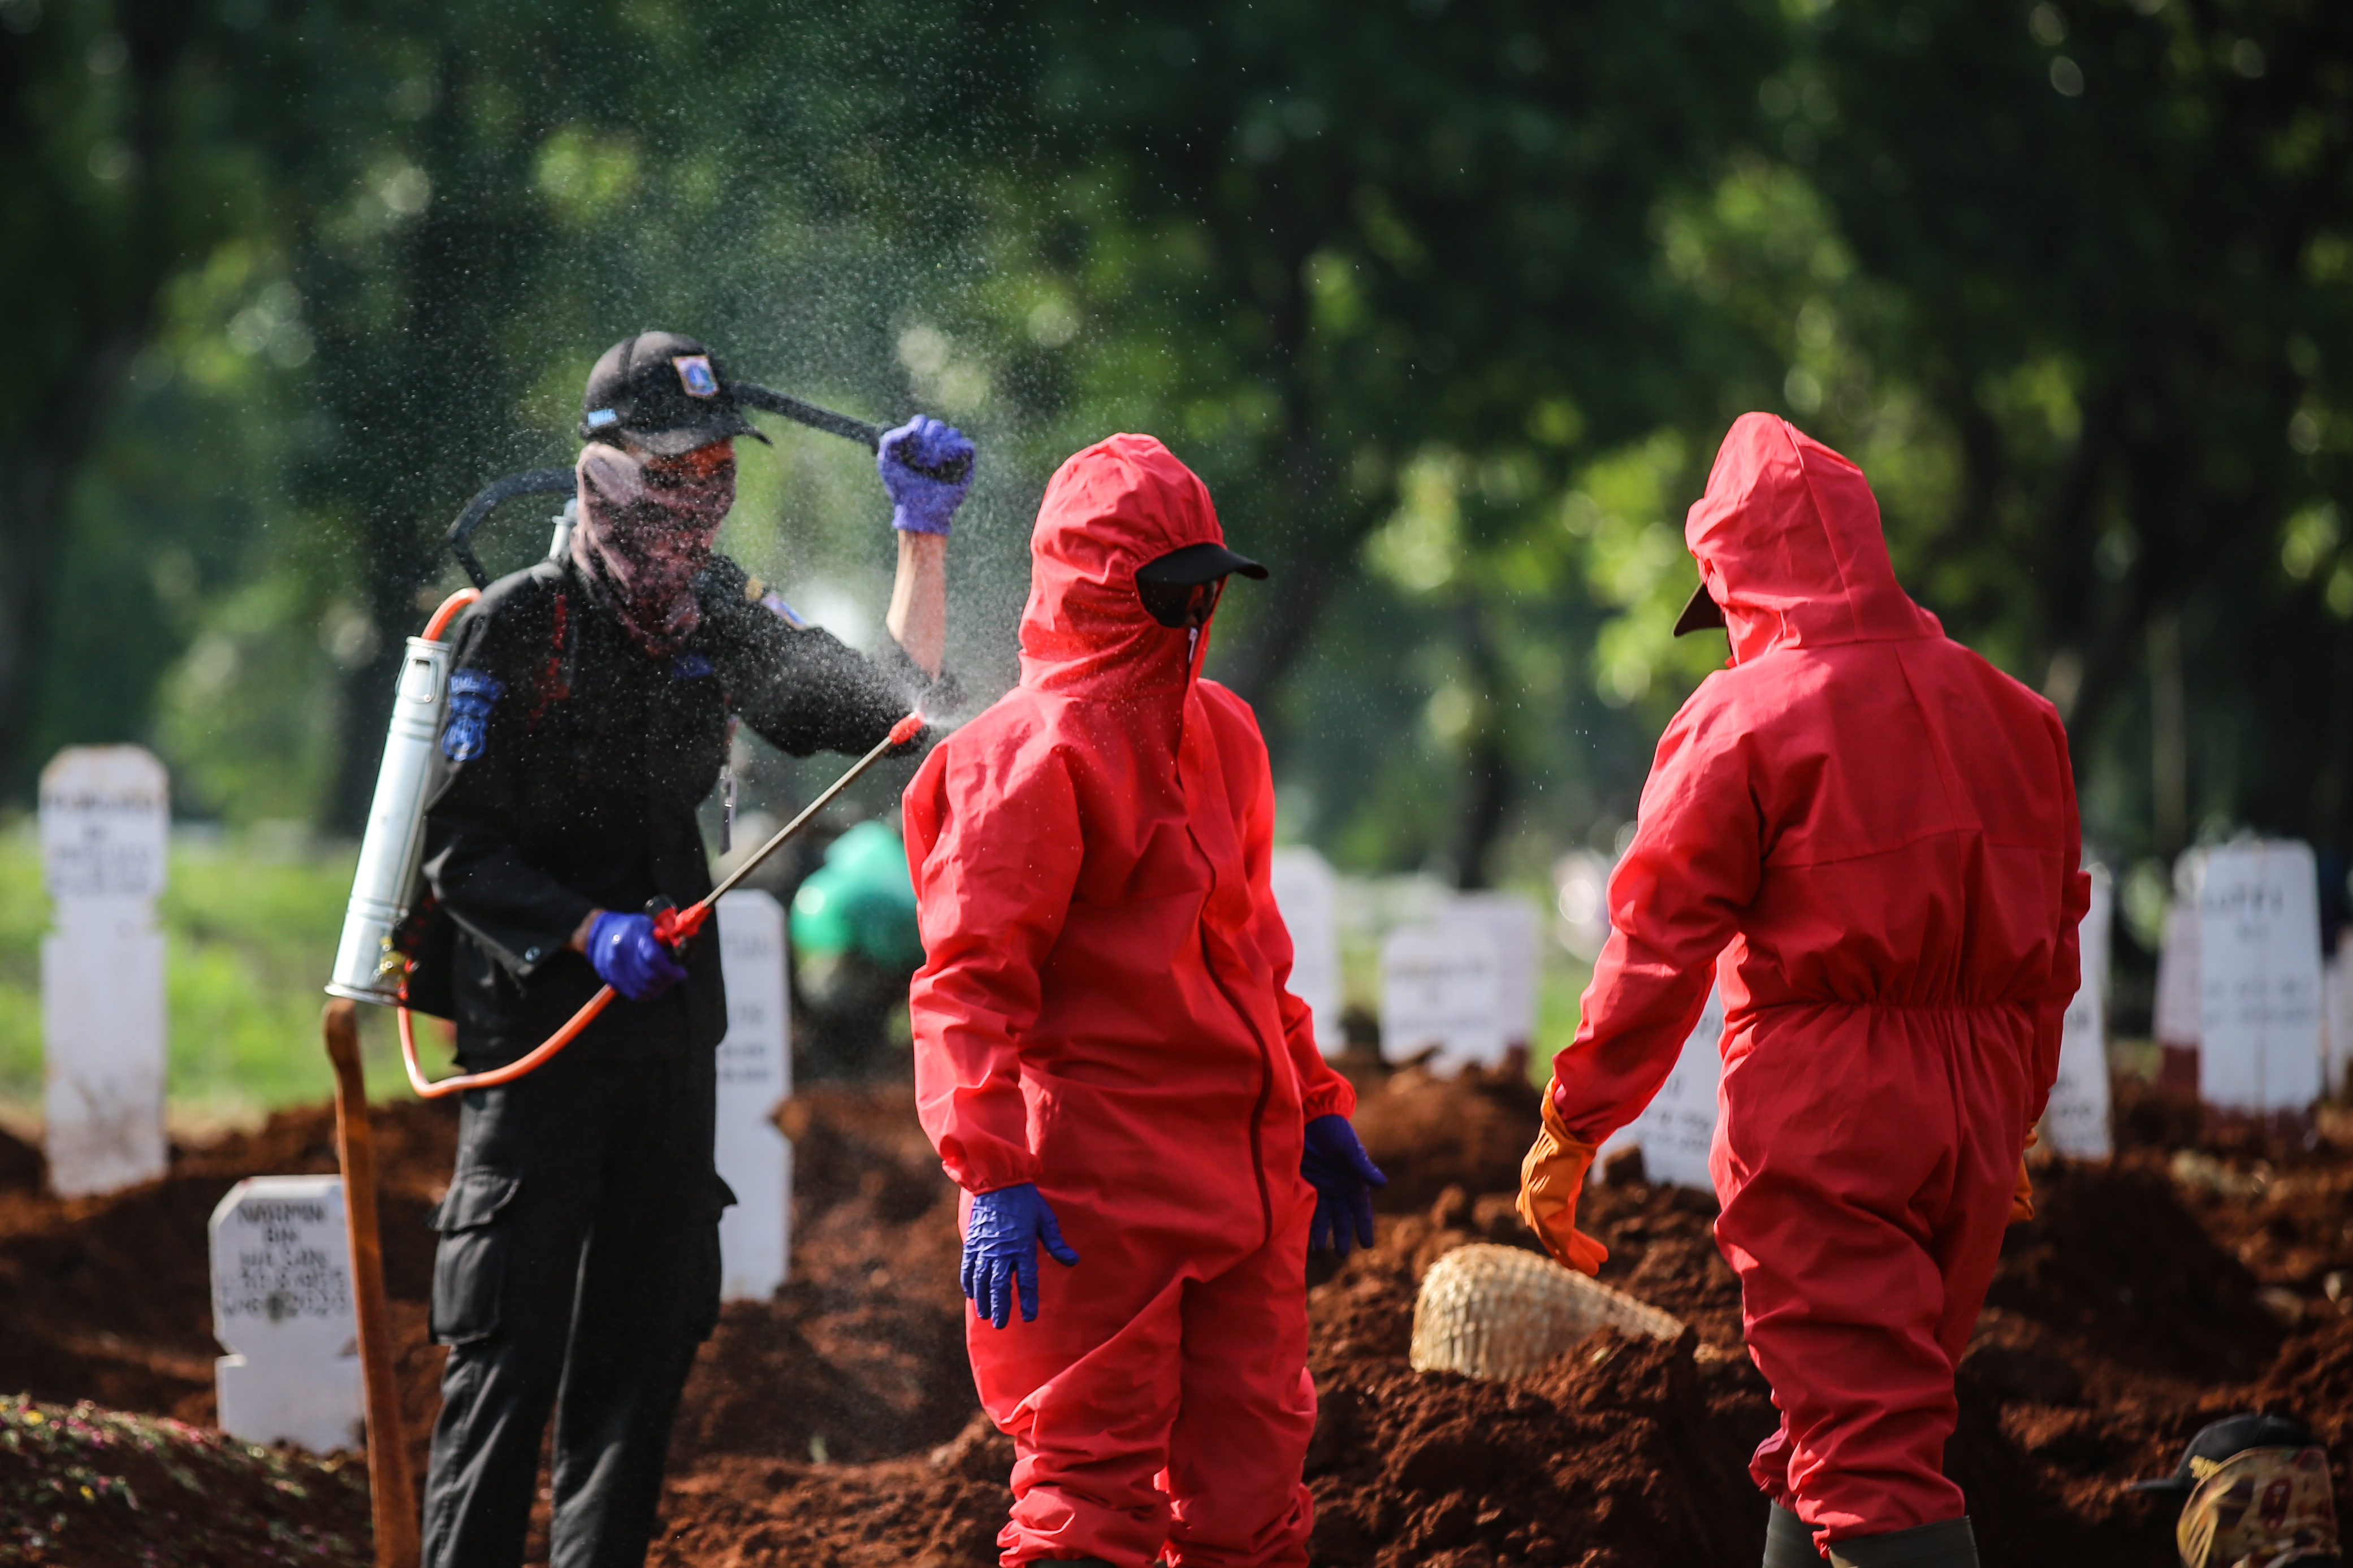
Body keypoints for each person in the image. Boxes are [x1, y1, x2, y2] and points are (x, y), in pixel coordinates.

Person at [413, 330, 973, 1568]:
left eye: (718, 464)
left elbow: (892, 710)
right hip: (535, 1057)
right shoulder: (516, 628)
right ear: (603, 468)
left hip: (666, 1053)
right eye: (673, 466)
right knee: (505, 1373)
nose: (698, 494)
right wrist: (582, 929)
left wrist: (918, 535)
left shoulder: (720, 614)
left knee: (638, 1363)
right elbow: (457, 853)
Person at [1517, 413, 2088, 1568]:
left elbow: (1652, 941)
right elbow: (2049, 945)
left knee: (1866, 1455)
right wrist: (2016, 1112)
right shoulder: (2017, 717)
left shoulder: (1741, 718)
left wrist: (1572, 1120)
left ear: (1739, 581)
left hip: (1827, 1117)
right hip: (1973, 1119)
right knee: (1840, 1422)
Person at [902, 432, 1386, 1568]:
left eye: (1203, 586)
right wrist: (993, 1170)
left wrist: (1311, 1099)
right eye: (1168, 591)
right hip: (1093, 1195)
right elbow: (968, 985)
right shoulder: (1024, 759)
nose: (1192, 614)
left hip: (1245, 1178)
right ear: (1097, 588)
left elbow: (1250, 946)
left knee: (1251, 1499)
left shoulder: (1220, 732)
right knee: (1086, 1504)